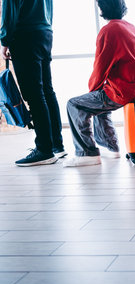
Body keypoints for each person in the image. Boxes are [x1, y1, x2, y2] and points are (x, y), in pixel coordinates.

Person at [63, 0, 135, 167]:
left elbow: (101, 66)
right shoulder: (131, 27)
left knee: (74, 104)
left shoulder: (109, 30)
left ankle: (86, 153)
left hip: (121, 92)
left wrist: (93, 89)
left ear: (102, 8)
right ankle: (111, 147)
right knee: (99, 99)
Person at [0, 0, 66, 167]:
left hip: (25, 35)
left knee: (34, 94)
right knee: (47, 90)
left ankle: (44, 150)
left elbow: (10, 9)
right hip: (44, 32)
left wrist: (4, 40)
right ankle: (56, 145)